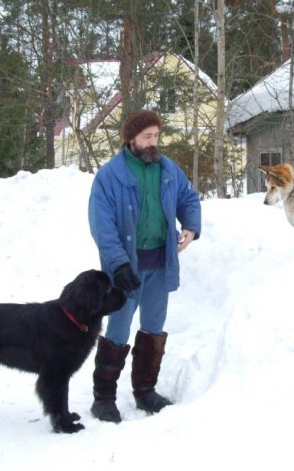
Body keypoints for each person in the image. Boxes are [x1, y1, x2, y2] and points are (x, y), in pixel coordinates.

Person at [87, 109, 201, 423]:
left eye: (156, 136)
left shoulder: (167, 170)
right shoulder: (110, 176)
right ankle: (104, 397)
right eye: (147, 136)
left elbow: (188, 199)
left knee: (153, 327)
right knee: (119, 329)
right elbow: (102, 225)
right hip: (126, 269)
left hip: (160, 264)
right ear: (131, 139)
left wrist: (190, 225)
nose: (153, 142)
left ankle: (145, 391)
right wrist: (119, 265)